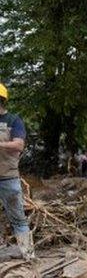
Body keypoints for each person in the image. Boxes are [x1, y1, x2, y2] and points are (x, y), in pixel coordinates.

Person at [0, 82, 32, 259]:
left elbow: (19, 144)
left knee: (18, 220)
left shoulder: (13, 121)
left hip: (8, 178)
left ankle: (28, 257)